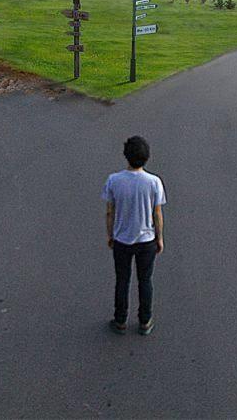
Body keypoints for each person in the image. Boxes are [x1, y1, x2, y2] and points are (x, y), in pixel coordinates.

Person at [102, 135, 165, 335]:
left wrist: (110, 235)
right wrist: (159, 238)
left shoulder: (114, 180)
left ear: (126, 156)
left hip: (122, 239)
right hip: (146, 240)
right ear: (146, 157)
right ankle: (145, 320)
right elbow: (157, 213)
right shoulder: (154, 182)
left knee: (122, 280)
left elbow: (110, 211)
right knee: (145, 280)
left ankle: (120, 320)